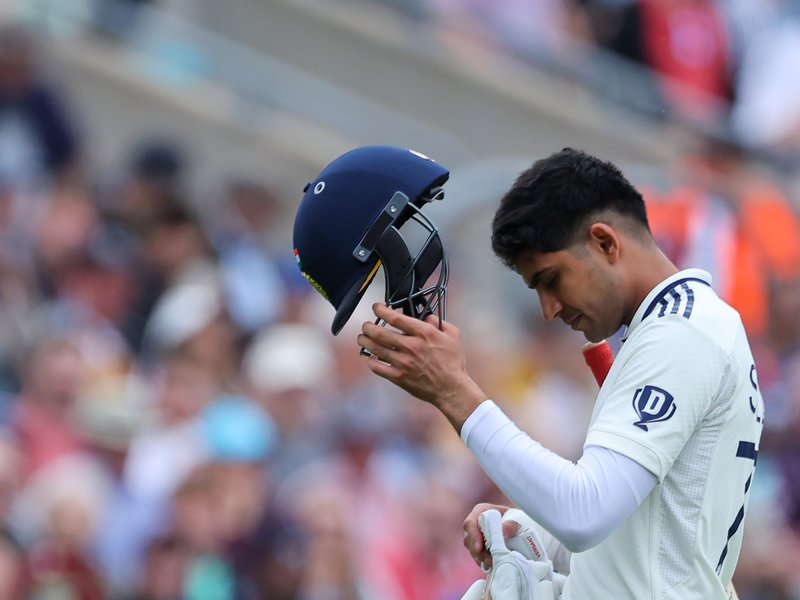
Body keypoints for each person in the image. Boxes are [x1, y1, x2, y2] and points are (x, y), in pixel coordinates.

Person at [351, 147, 764, 599]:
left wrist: (454, 392)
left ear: (605, 243)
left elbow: (583, 513)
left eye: (551, 280)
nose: (548, 310)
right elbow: (647, 543)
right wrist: (530, 527)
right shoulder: (682, 327)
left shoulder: (680, 335)